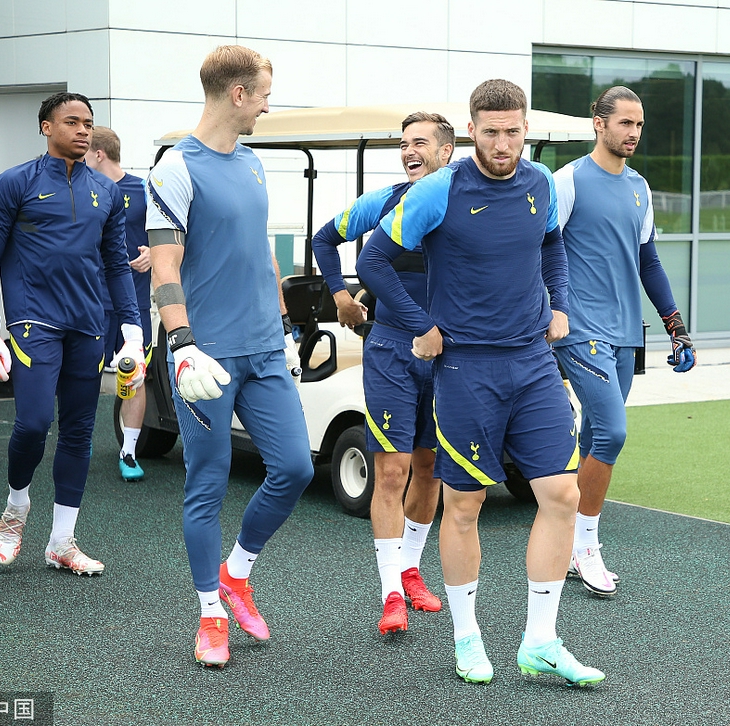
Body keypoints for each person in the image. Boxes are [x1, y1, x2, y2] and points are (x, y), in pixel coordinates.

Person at [357, 79, 604, 687]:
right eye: (490, 132)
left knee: (562, 495)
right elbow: (372, 260)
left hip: (534, 363)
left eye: (512, 132)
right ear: (471, 131)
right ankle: (467, 637)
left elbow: (553, 246)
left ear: (525, 130)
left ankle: (541, 640)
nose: (502, 144)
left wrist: (559, 303)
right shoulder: (440, 189)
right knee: (465, 504)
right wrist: (422, 325)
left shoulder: (541, 184)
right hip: (466, 369)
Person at [146, 44, 313, 669]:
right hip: (205, 357)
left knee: (295, 468)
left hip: (265, 349)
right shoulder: (174, 169)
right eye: (264, 94)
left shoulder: (253, 163)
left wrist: (286, 324)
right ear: (238, 94)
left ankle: (236, 573)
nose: (268, 106)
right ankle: (210, 612)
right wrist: (182, 345)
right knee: (208, 482)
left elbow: (260, 251)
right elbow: (165, 268)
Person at [0, 92, 146, 576]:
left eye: (88, 122)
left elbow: (116, 264)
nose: (83, 130)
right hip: (34, 320)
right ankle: (16, 505)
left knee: (78, 432)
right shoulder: (13, 183)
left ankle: (61, 542)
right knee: (33, 424)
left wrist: (132, 330)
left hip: (89, 324)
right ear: (46, 127)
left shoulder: (106, 191)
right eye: (72, 121)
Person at [311, 112, 454, 635]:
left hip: (449, 355)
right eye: (403, 144)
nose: (409, 151)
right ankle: (391, 592)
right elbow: (323, 239)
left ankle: (412, 571)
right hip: (392, 349)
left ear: (446, 151)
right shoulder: (384, 202)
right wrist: (341, 296)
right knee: (392, 472)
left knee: (431, 468)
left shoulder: (463, 204)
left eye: (420, 142)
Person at [552, 85, 695, 598]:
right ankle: (585, 546)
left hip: (627, 333)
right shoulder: (568, 181)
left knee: (594, 437)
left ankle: (566, 542)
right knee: (613, 432)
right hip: (579, 330)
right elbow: (542, 251)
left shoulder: (640, 187)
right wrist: (551, 313)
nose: (633, 133)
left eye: (639, 125)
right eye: (625, 123)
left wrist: (675, 324)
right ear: (599, 123)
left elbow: (648, 261)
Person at [85, 126, 152, 482]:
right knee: (84, 377)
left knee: (134, 379)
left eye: (85, 153)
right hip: (93, 304)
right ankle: (78, 443)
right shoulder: (81, 190)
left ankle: (129, 452)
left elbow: (174, 236)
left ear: (99, 154)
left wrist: (154, 254)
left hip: (134, 305)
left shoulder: (144, 190)